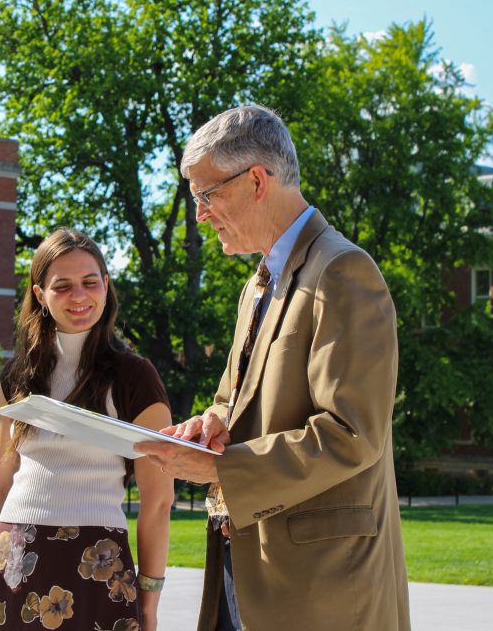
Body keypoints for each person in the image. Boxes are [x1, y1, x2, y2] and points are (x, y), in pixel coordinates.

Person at [136, 105, 410, 631]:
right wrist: (212, 425)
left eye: (206, 195)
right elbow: (235, 400)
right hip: (250, 575)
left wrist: (221, 469)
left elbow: (353, 433)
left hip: (322, 590)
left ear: (257, 180)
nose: (200, 214)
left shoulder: (344, 271)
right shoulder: (259, 282)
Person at [0, 228, 174, 631]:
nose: (80, 296)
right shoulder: (16, 377)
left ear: (106, 286)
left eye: (90, 282)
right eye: (63, 286)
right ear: (40, 295)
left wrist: (149, 597)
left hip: (100, 559)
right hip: (16, 558)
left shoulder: (135, 377)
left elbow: (159, 499)